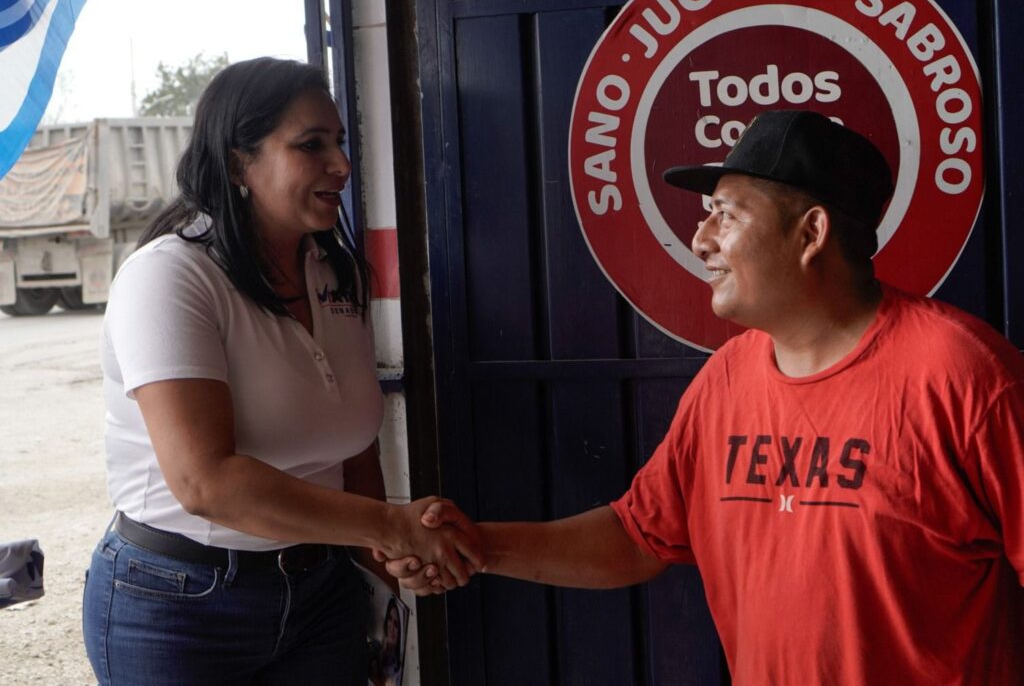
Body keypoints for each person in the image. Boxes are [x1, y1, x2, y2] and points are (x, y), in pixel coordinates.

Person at [383, 110, 1024, 684]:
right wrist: (478, 546)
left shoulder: (967, 376)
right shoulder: (728, 377)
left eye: (728, 214)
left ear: (811, 233)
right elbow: (640, 537)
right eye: (707, 216)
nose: (702, 241)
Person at [82, 57, 481, 686]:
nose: (342, 166)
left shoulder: (335, 272)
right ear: (240, 162)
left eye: (340, 143)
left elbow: (352, 449)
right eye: (311, 145)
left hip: (319, 596)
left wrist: (387, 558)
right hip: (178, 604)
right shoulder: (171, 278)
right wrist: (389, 525)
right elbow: (205, 482)